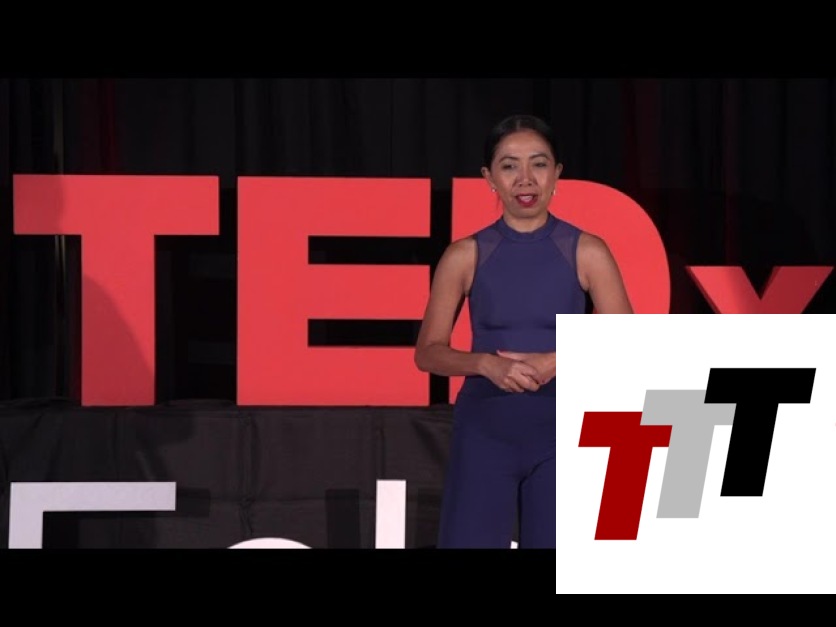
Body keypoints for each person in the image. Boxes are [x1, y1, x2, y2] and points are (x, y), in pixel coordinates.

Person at [414, 113, 633, 549]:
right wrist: (485, 364)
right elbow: (428, 352)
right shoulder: (465, 254)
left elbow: (628, 341)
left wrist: (558, 360)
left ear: (557, 173)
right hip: (485, 432)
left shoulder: (588, 250)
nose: (525, 179)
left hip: (563, 431)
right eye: (509, 166)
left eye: (539, 163)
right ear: (489, 178)